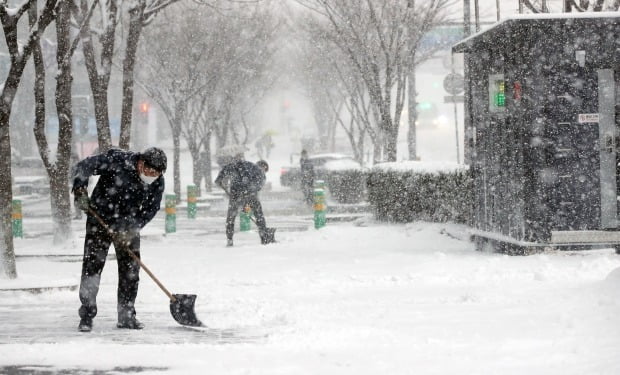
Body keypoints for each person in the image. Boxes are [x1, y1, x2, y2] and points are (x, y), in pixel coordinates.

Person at [72, 147, 167, 332]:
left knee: (130, 271)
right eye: (149, 171)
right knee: (92, 268)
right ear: (141, 163)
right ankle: (87, 314)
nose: (151, 175)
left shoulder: (157, 182)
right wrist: (80, 188)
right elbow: (84, 166)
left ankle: (126, 316)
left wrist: (134, 228)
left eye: (156, 173)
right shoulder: (117, 160)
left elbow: (151, 208)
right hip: (99, 219)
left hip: (128, 225)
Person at [215, 154, 273, 246]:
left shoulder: (237, 165)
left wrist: (219, 180)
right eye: (265, 170)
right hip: (249, 194)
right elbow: (258, 186)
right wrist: (247, 200)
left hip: (235, 194)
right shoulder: (259, 171)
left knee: (231, 217)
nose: (264, 172)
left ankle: (229, 239)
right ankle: (264, 237)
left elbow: (225, 169)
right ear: (263, 167)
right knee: (259, 215)